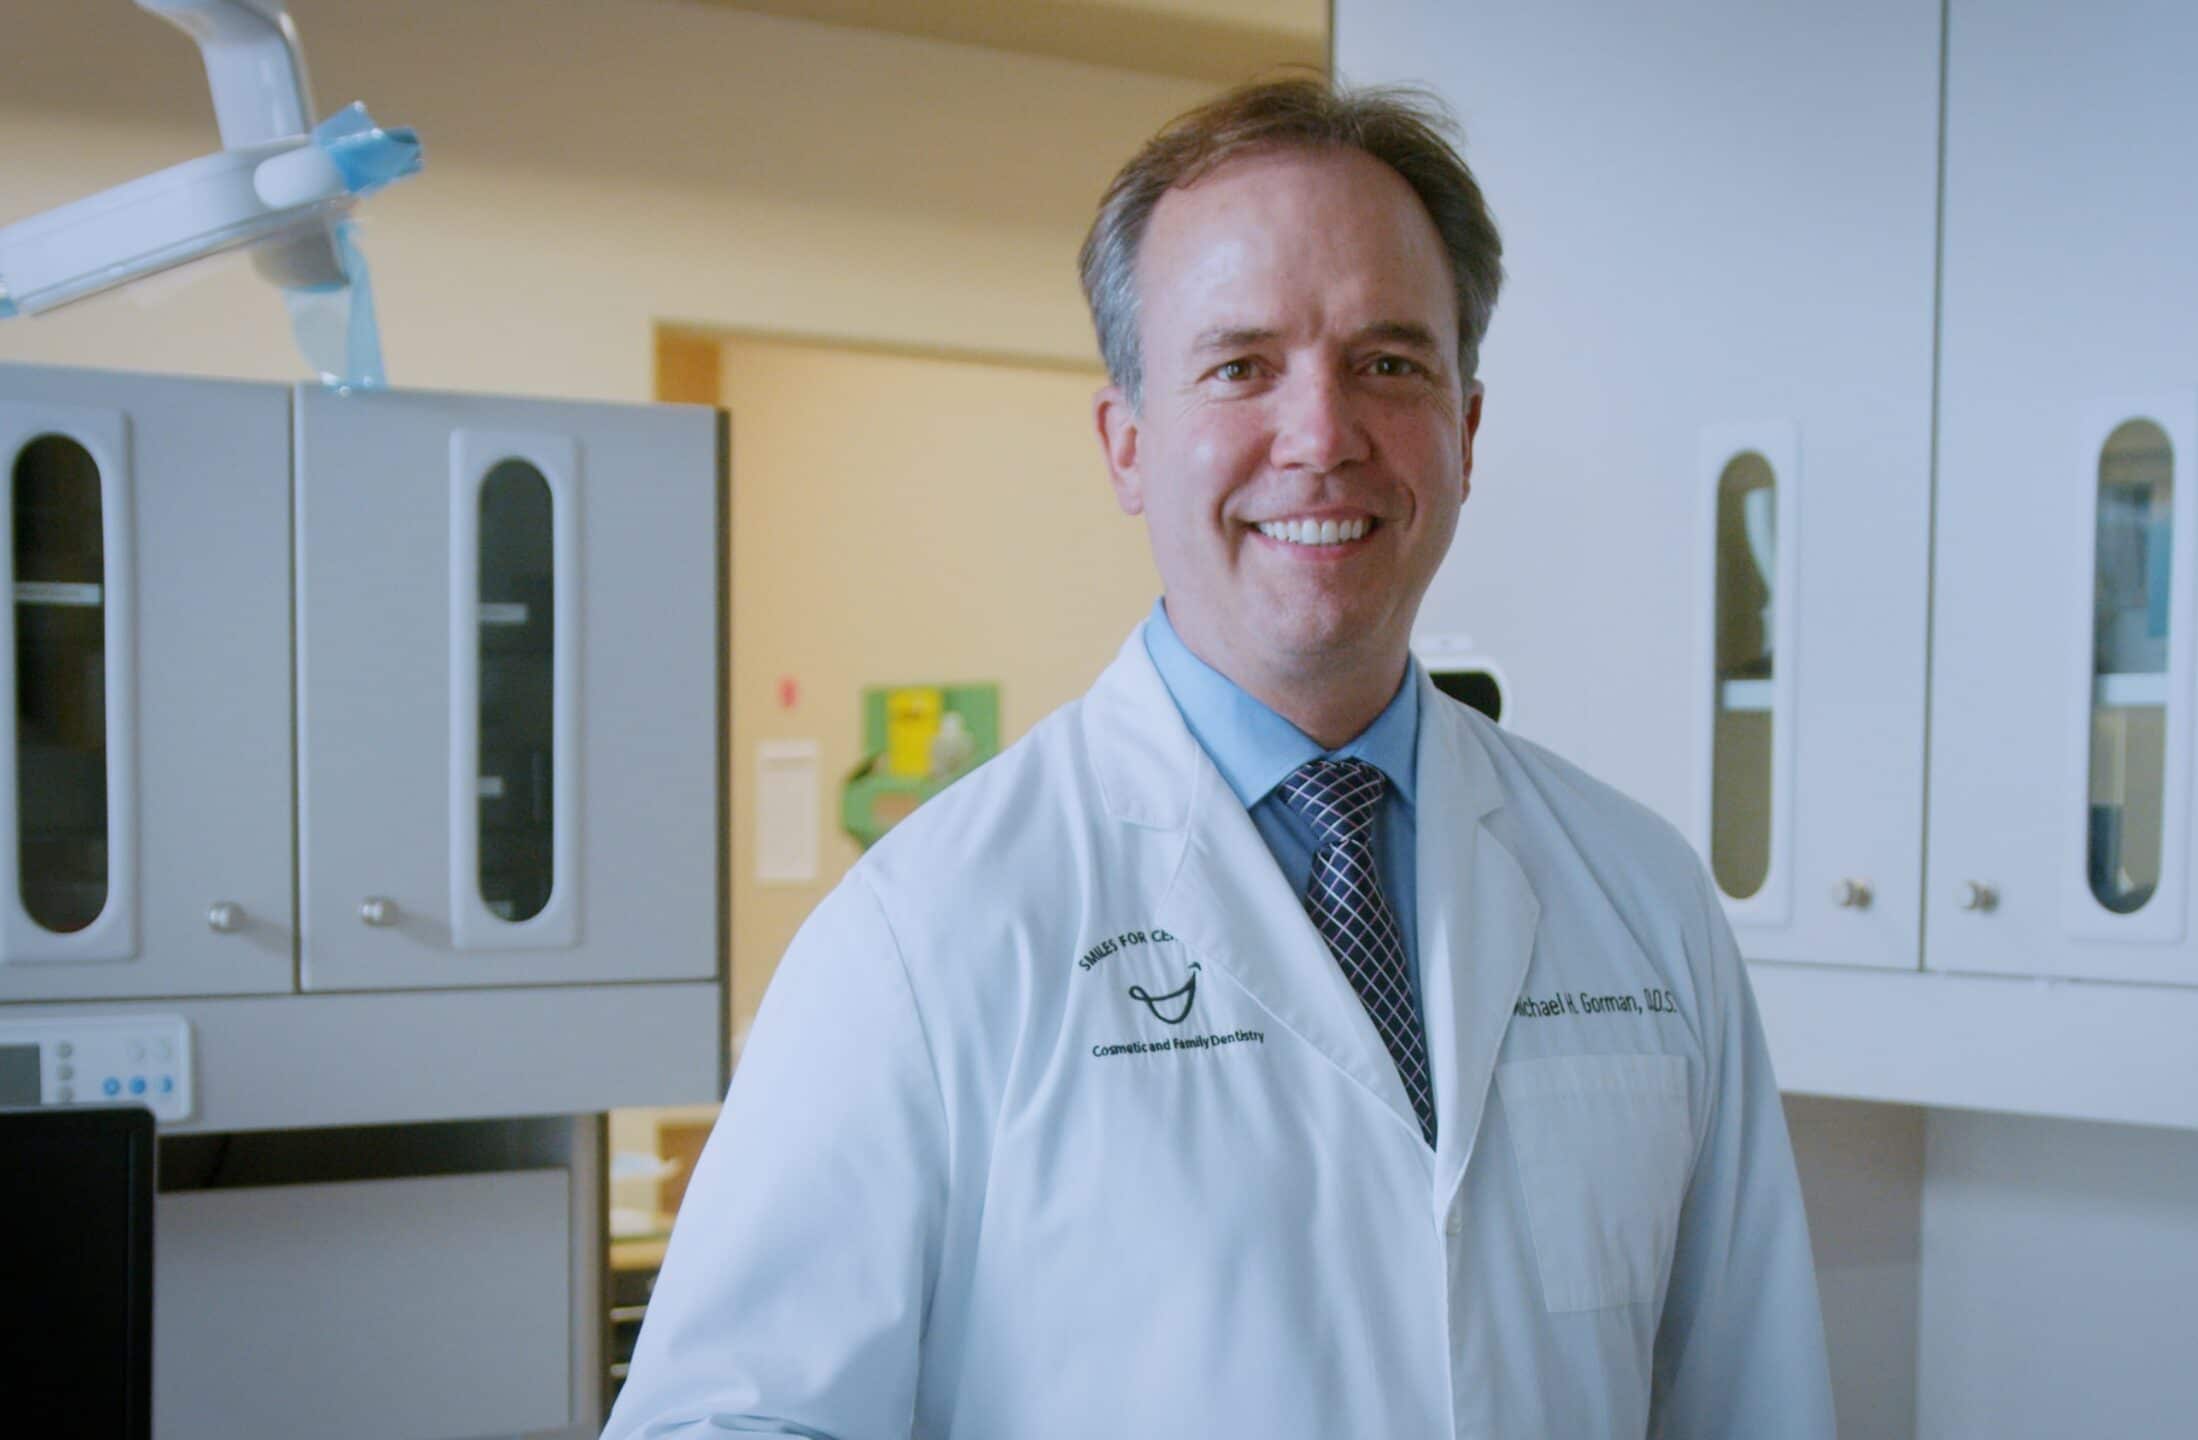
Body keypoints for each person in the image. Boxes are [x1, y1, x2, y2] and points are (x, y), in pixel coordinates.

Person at [603, 77, 1835, 1439]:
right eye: (1242, 365)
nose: (1322, 438)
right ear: (1128, 444)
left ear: (1467, 435)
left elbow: (1749, 1396)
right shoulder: (928, 936)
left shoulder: (1641, 900)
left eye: (1390, 362)